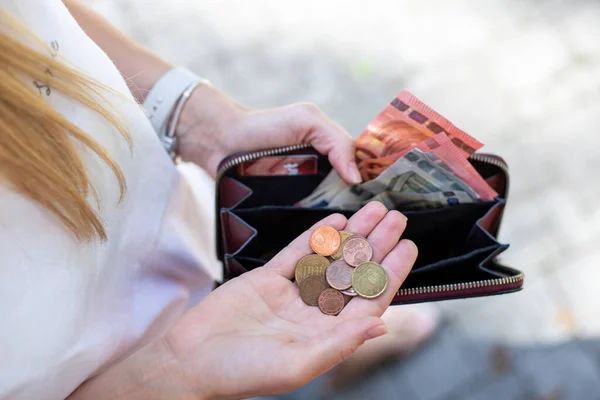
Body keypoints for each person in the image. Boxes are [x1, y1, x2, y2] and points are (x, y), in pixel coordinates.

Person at [0, 1, 437, 398]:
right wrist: (174, 375)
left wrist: (198, 119)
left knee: (303, 311)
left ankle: (335, 328)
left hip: (186, 245)